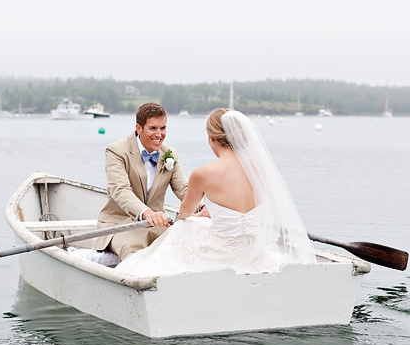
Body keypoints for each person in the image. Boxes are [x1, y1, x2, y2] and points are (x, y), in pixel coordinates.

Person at [115, 108, 317, 277]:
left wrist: (200, 214)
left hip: (222, 251)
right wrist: (216, 212)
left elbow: (185, 212)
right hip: (253, 249)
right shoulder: (262, 169)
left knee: (185, 226)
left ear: (211, 138)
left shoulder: (204, 173)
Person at [75, 102, 194, 265]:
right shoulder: (116, 151)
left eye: (163, 128)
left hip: (157, 226)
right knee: (136, 254)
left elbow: (184, 189)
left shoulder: (169, 153)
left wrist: (201, 206)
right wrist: (147, 213)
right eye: (153, 128)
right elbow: (120, 190)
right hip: (120, 225)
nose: (159, 134)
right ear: (139, 128)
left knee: (184, 249)